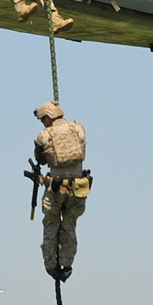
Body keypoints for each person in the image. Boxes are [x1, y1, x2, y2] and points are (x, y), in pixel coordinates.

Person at [34, 101, 89, 281]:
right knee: (70, 224)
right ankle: (67, 264)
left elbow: (41, 160)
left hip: (56, 189)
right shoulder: (78, 129)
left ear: (49, 117)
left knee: (51, 223)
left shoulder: (44, 136)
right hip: (78, 187)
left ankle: (51, 265)